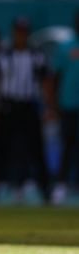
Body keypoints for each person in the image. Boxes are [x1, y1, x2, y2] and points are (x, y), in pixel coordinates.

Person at [0, 17, 52, 203]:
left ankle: (46, 191)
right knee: (0, 150)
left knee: (36, 150)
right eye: (18, 31)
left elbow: (46, 81)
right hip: (8, 106)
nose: (21, 35)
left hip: (29, 105)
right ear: (14, 32)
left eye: (24, 32)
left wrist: (49, 107)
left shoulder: (36, 54)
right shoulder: (3, 54)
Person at [51, 12, 79, 203]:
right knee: (68, 145)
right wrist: (54, 104)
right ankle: (61, 185)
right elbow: (55, 77)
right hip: (69, 104)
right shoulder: (66, 46)